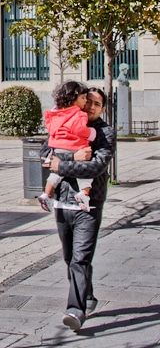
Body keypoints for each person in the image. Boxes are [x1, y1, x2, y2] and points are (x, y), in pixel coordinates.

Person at [40, 87, 115, 332]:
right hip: (62, 203)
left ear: (103, 108)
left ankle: (75, 309)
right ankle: (88, 296)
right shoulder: (67, 120)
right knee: (69, 258)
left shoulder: (105, 133)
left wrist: (61, 164)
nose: (91, 106)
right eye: (88, 101)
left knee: (80, 258)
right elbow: (45, 154)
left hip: (89, 205)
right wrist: (71, 158)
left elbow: (96, 168)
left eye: (97, 104)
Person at [39, 81, 96, 213]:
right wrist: (91, 133)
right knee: (85, 173)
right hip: (74, 146)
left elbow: (51, 129)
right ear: (73, 99)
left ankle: (46, 194)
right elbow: (80, 129)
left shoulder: (56, 113)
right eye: (83, 98)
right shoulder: (79, 114)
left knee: (56, 173)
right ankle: (84, 194)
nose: (85, 102)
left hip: (57, 148)